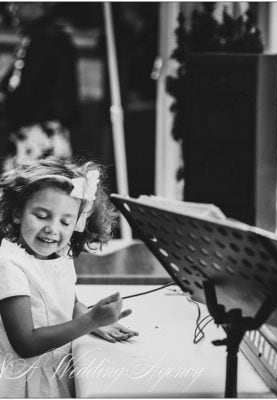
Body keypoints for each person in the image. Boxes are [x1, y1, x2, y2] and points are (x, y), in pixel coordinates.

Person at [0, 157, 138, 397]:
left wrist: (97, 322)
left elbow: (70, 303)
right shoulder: (9, 264)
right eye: (42, 215)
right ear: (17, 213)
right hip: (24, 381)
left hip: (55, 369)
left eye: (65, 221)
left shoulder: (61, 256)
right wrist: (90, 322)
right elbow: (25, 343)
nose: (53, 228)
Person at [0, 3, 79, 165]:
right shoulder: (51, 35)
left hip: (36, 133)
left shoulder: (41, 37)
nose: (12, 8)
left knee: (30, 185)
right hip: (48, 131)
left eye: (17, 3)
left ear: (38, 4)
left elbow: (22, 87)